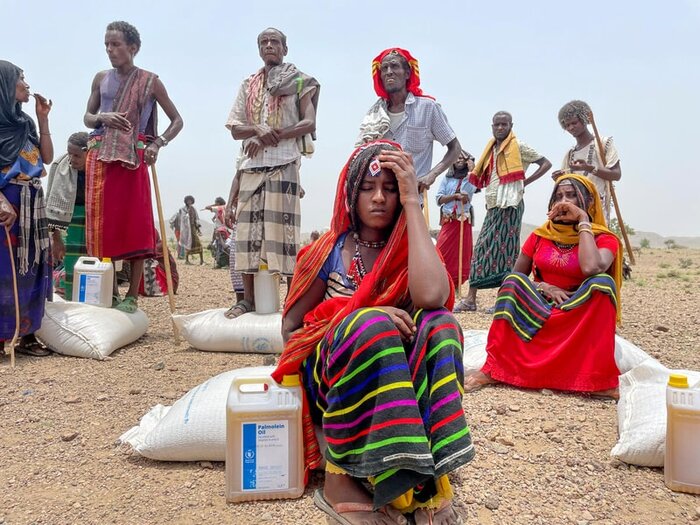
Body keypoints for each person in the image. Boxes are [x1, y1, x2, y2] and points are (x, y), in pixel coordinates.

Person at [274, 141, 474, 525]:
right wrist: (361, 317)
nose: (379, 197)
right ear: (351, 193)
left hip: (397, 381)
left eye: (391, 188)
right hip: (337, 383)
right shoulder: (328, 251)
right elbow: (291, 328)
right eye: (368, 188)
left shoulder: (413, 248)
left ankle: (427, 476)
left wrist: (414, 200)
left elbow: (433, 297)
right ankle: (340, 481)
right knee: (371, 324)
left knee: (443, 325)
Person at [465, 174, 622, 398]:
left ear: (587, 202)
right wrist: (544, 287)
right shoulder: (540, 236)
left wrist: (584, 222)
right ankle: (495, 369)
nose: (563, 202)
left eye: (571, 196)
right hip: (537, 310)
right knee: (512, 283)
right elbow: (516, 277)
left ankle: (596, 380)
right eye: (558, 196)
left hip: (576, 314)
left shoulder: (604, 238)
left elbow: (592, 268)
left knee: (603, 285)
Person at [83, 20, 183, 313]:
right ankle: (110, 291)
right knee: (105, 225)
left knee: (136, 223)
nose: (110, 50)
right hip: (101, 157)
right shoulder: (100, 78)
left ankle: (132, 296)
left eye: (116, 45)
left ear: (133, 48)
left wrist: (157, 143)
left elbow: (177, 120)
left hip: (134, 158)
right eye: (107, 45)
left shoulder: (151, 81)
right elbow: (87, 117)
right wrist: (105, 117)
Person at [224, 27, 319, 318]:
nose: (269, 46)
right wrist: (257, 129)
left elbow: (309, 123)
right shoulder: (248, 84)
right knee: (247, 237)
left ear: (285, 49)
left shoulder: (300, 80)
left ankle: (292, 301)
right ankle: (248, 300)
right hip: (251, 166)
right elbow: (235, 129)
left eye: (274, 41)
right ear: (258, 49)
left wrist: (275, 134)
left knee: (284, 235)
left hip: (284, 162)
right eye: (263, 42)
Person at [462, 111, 551, 311]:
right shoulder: (491, 148)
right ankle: (471, 299)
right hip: (493, 205)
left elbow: (545, 163)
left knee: (507, 251)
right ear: (492, 126)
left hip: (511, 204)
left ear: (511, 125)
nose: (500, 128)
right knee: (481, 249)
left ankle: (503, 300)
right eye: (497, 124)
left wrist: (524, 182)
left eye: (504, 124)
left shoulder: (518, 146)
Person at [0, 61, 53, 357]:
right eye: (21, 78)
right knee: (4, 269)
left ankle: (28, 335)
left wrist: (42, 120)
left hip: (32, 202)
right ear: (6, 84)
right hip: (5, 205)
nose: (27, 85)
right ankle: (2, 335)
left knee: (32, 268)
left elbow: (45, 158)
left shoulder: (25, 124)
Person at [356, 48, 460, 192]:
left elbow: (455, 148)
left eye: (394, 66)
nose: (389, 72)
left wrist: (431, 175)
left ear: (407, 73)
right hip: (380, 196)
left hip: (411, 197)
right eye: (384, 68)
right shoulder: (374, 115)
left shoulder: (427, 108)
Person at [553, 100, 621, 224]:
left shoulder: (603, 144)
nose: (571, 127)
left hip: (597, 206)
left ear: (585, 120)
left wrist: (590, 168)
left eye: (574, 123)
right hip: (575, 208)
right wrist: (559, 179)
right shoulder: (570, 154)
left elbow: (616, 174)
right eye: (567, 125)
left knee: (598, 241)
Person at [46, 132, 90, 299]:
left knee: (95, 265)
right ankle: (72, 299)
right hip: (69, 224)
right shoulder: (60, 167)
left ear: (88, 151)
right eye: (69, 153)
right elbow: (51, 204)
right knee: (71, 266)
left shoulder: (100, 168)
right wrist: (56, 240)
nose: (72, 159)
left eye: (77, 155)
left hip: (94, 223)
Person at [435, 150, 477, 312]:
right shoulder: (447, 179)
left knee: (462, 255)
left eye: (463, 159)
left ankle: (456, 288)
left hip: (462, 221)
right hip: (449, 220)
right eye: (457, 158)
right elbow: (439, 198)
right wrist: (454, 197)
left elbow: (469, 194)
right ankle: (441, 284)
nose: (459, 161)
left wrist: (471, 165)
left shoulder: (471, 179)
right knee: (441, 251)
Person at [171, 195, 203, 265]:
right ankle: (187, 260)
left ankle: (201, 260)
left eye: (190, 200)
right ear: (186, 201)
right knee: (187, 244)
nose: (189, 202)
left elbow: (196, 218)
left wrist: (198, 228)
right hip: (186, 230)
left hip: (193, 229)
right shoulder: (182, 209)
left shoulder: (193, 209)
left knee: (198, 244)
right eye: (188, 201)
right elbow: (182, 219)